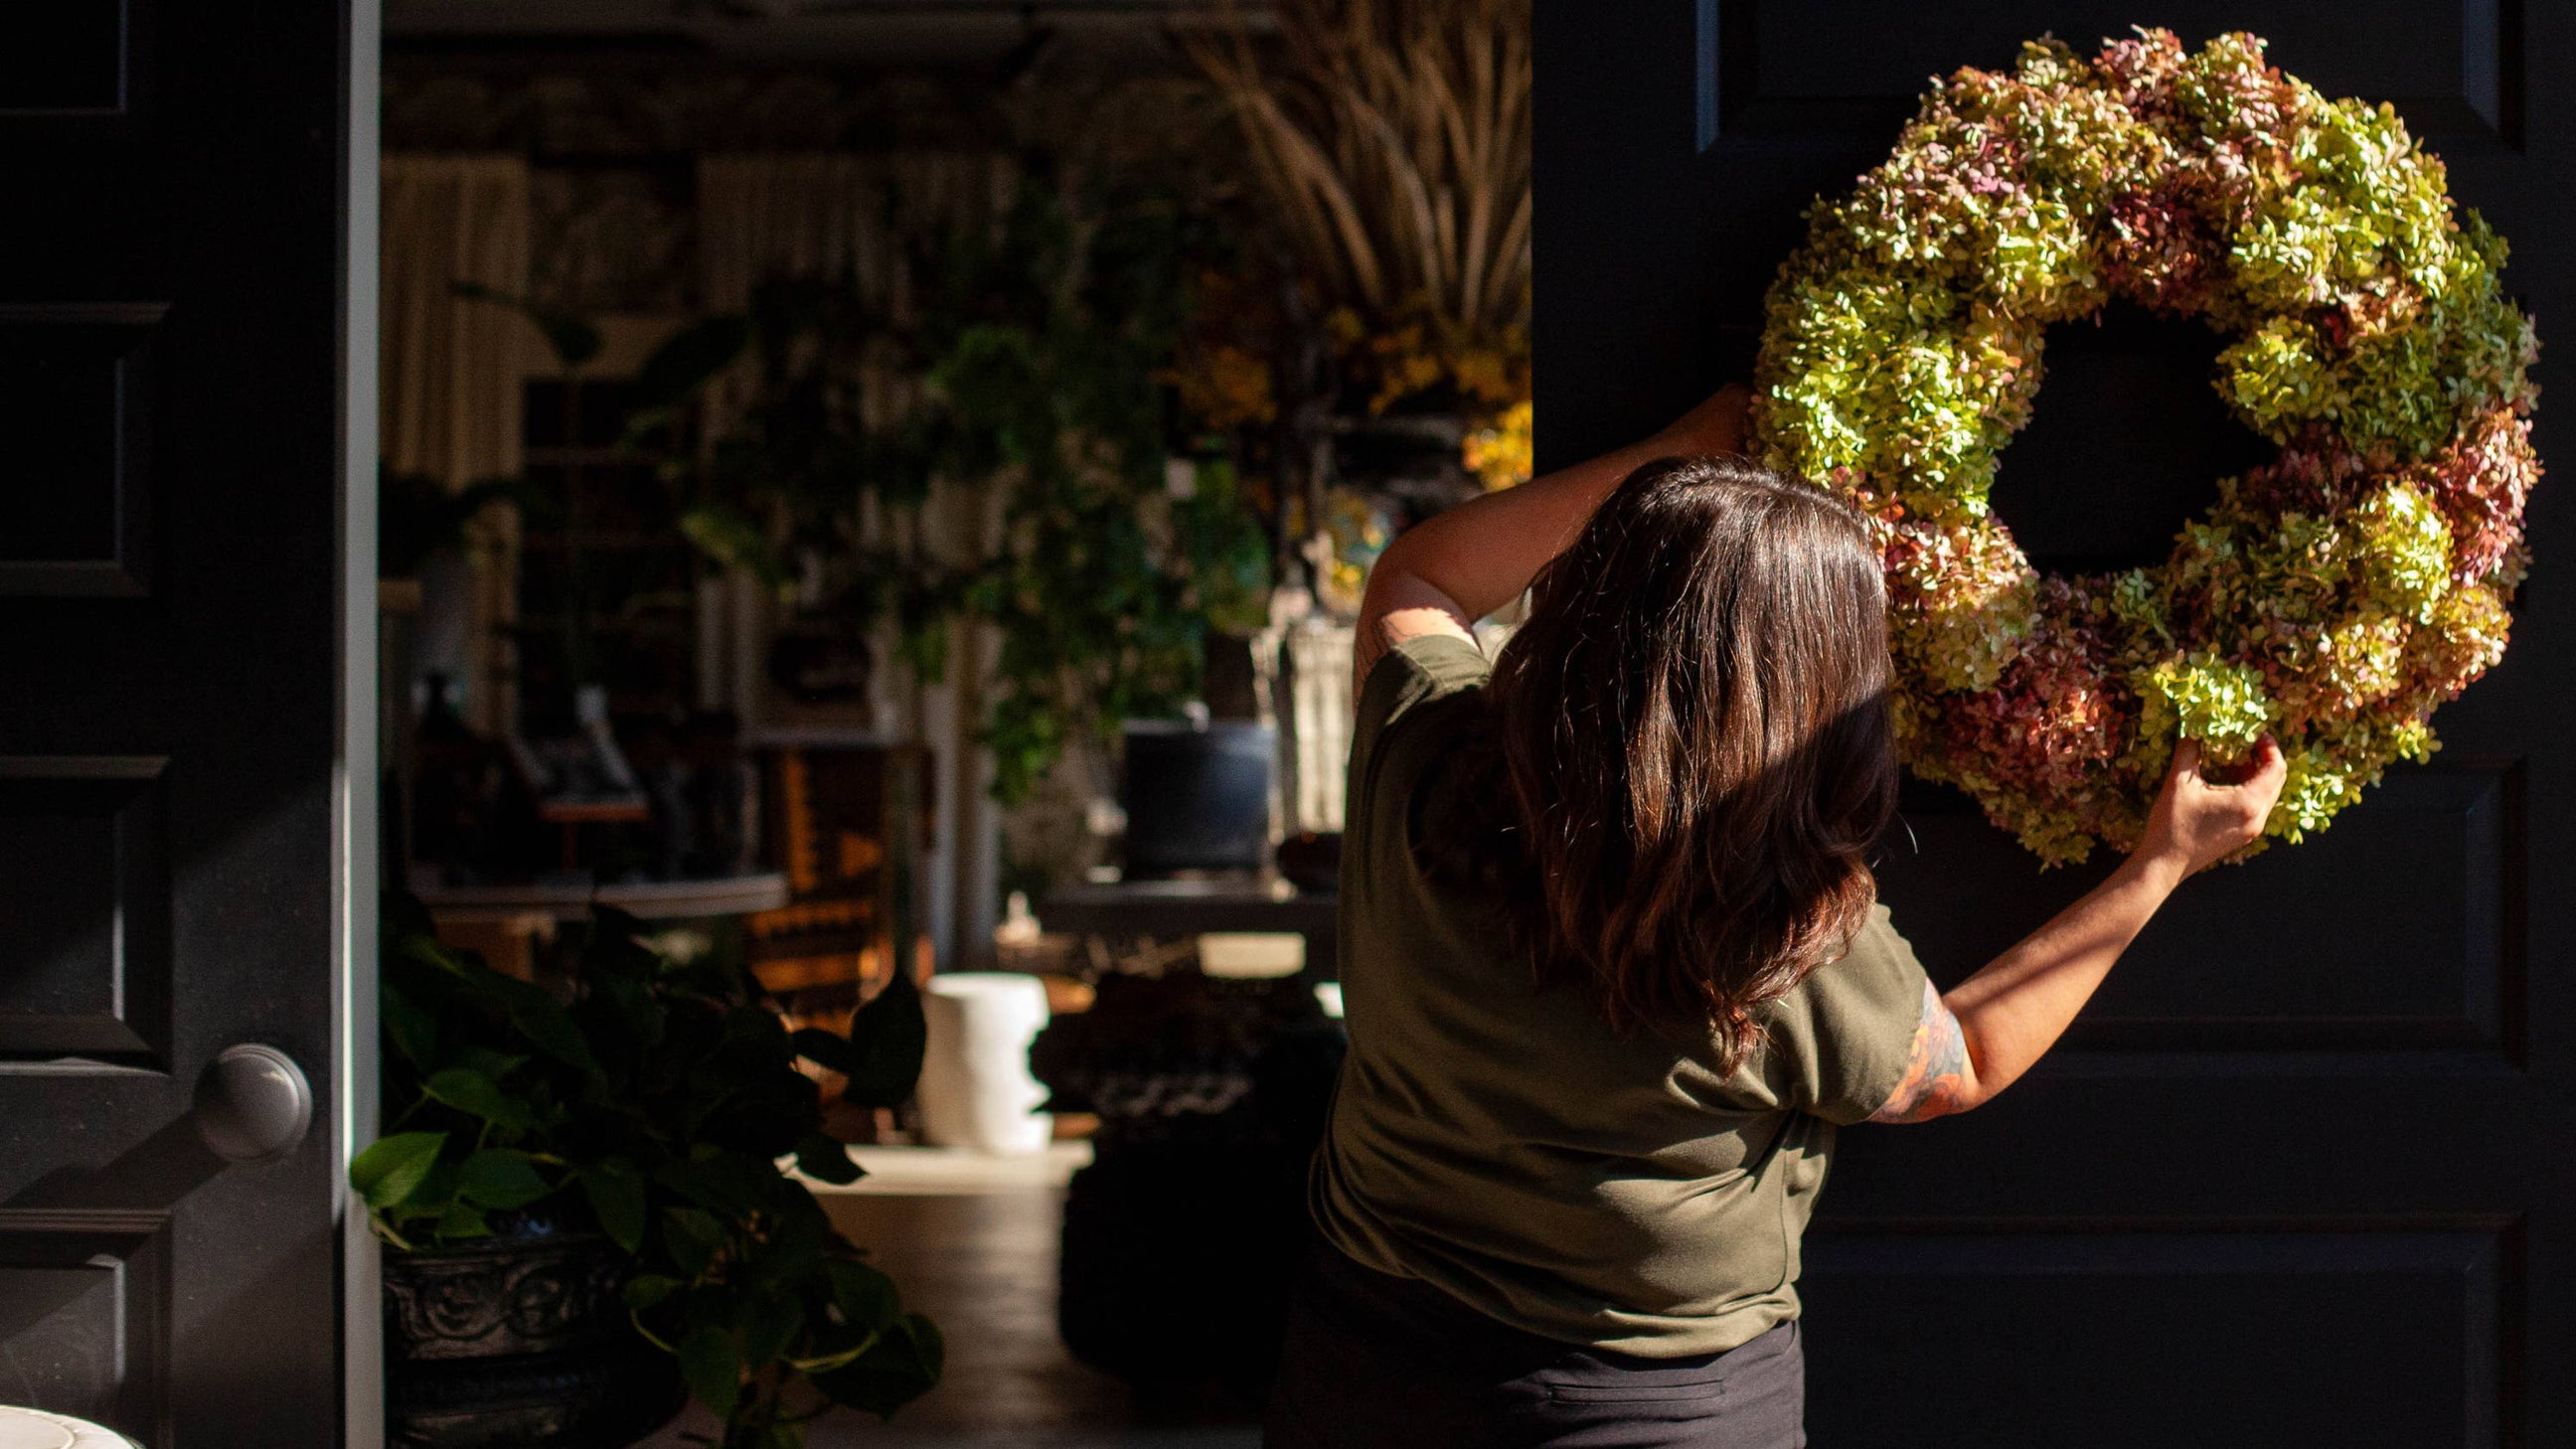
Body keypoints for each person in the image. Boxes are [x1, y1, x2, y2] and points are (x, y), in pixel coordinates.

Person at [1264, 386, 2289, 1447]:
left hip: (1364, 1364)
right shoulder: (1785, 933)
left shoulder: (1427, 765)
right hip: (1649, 1410)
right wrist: (2162, 863)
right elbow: (1964, 1060)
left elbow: (1417, 576)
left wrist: (1667, 455)